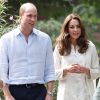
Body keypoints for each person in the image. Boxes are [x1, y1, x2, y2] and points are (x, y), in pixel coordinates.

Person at [0, 2, 55, 100]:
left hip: (39, 92)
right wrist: (7, 95)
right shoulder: (6, 40)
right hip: (15, 92)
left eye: (35, 16)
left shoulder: (45, 39)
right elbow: (2, 70)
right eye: (29, 16)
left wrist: (49, 93)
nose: (33, 19)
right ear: (21, 16)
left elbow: (50, 68)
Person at [53, 13, 100, 100]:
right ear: (67, 29)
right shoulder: (60, 47)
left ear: (81, 28)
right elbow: (53, 73)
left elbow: (97, 72)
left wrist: (85, 70)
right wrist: (66, 70)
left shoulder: (90, 46)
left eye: (78, 26)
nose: (75, 30)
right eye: (72, 27)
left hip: (86, 95)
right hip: (66, 95)